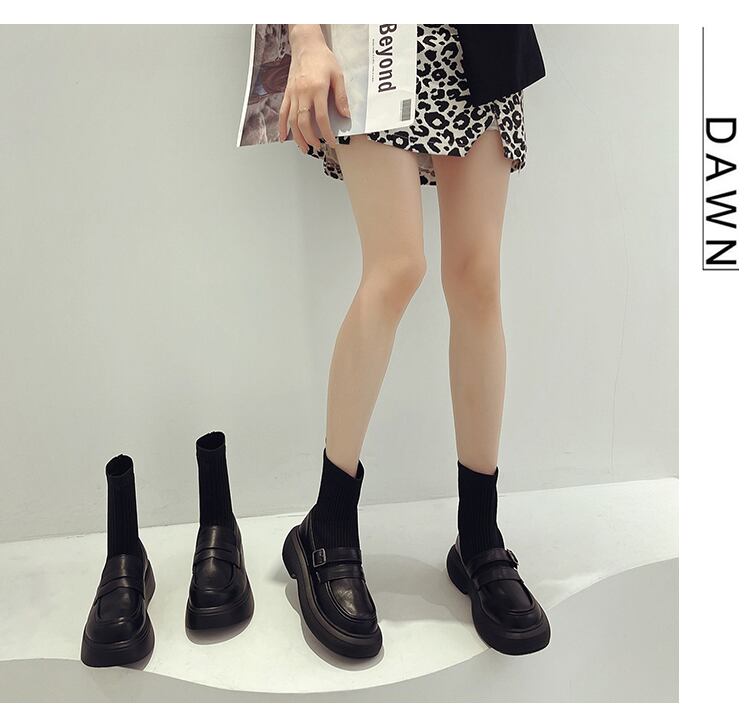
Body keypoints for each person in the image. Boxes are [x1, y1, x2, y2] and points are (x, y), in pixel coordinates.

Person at [279, 23, 551, 659]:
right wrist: (306, 39)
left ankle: (478, 535)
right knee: (396, 267)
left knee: (478, 280)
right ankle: (328, 524)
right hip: (376, 37)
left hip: (479, 39)